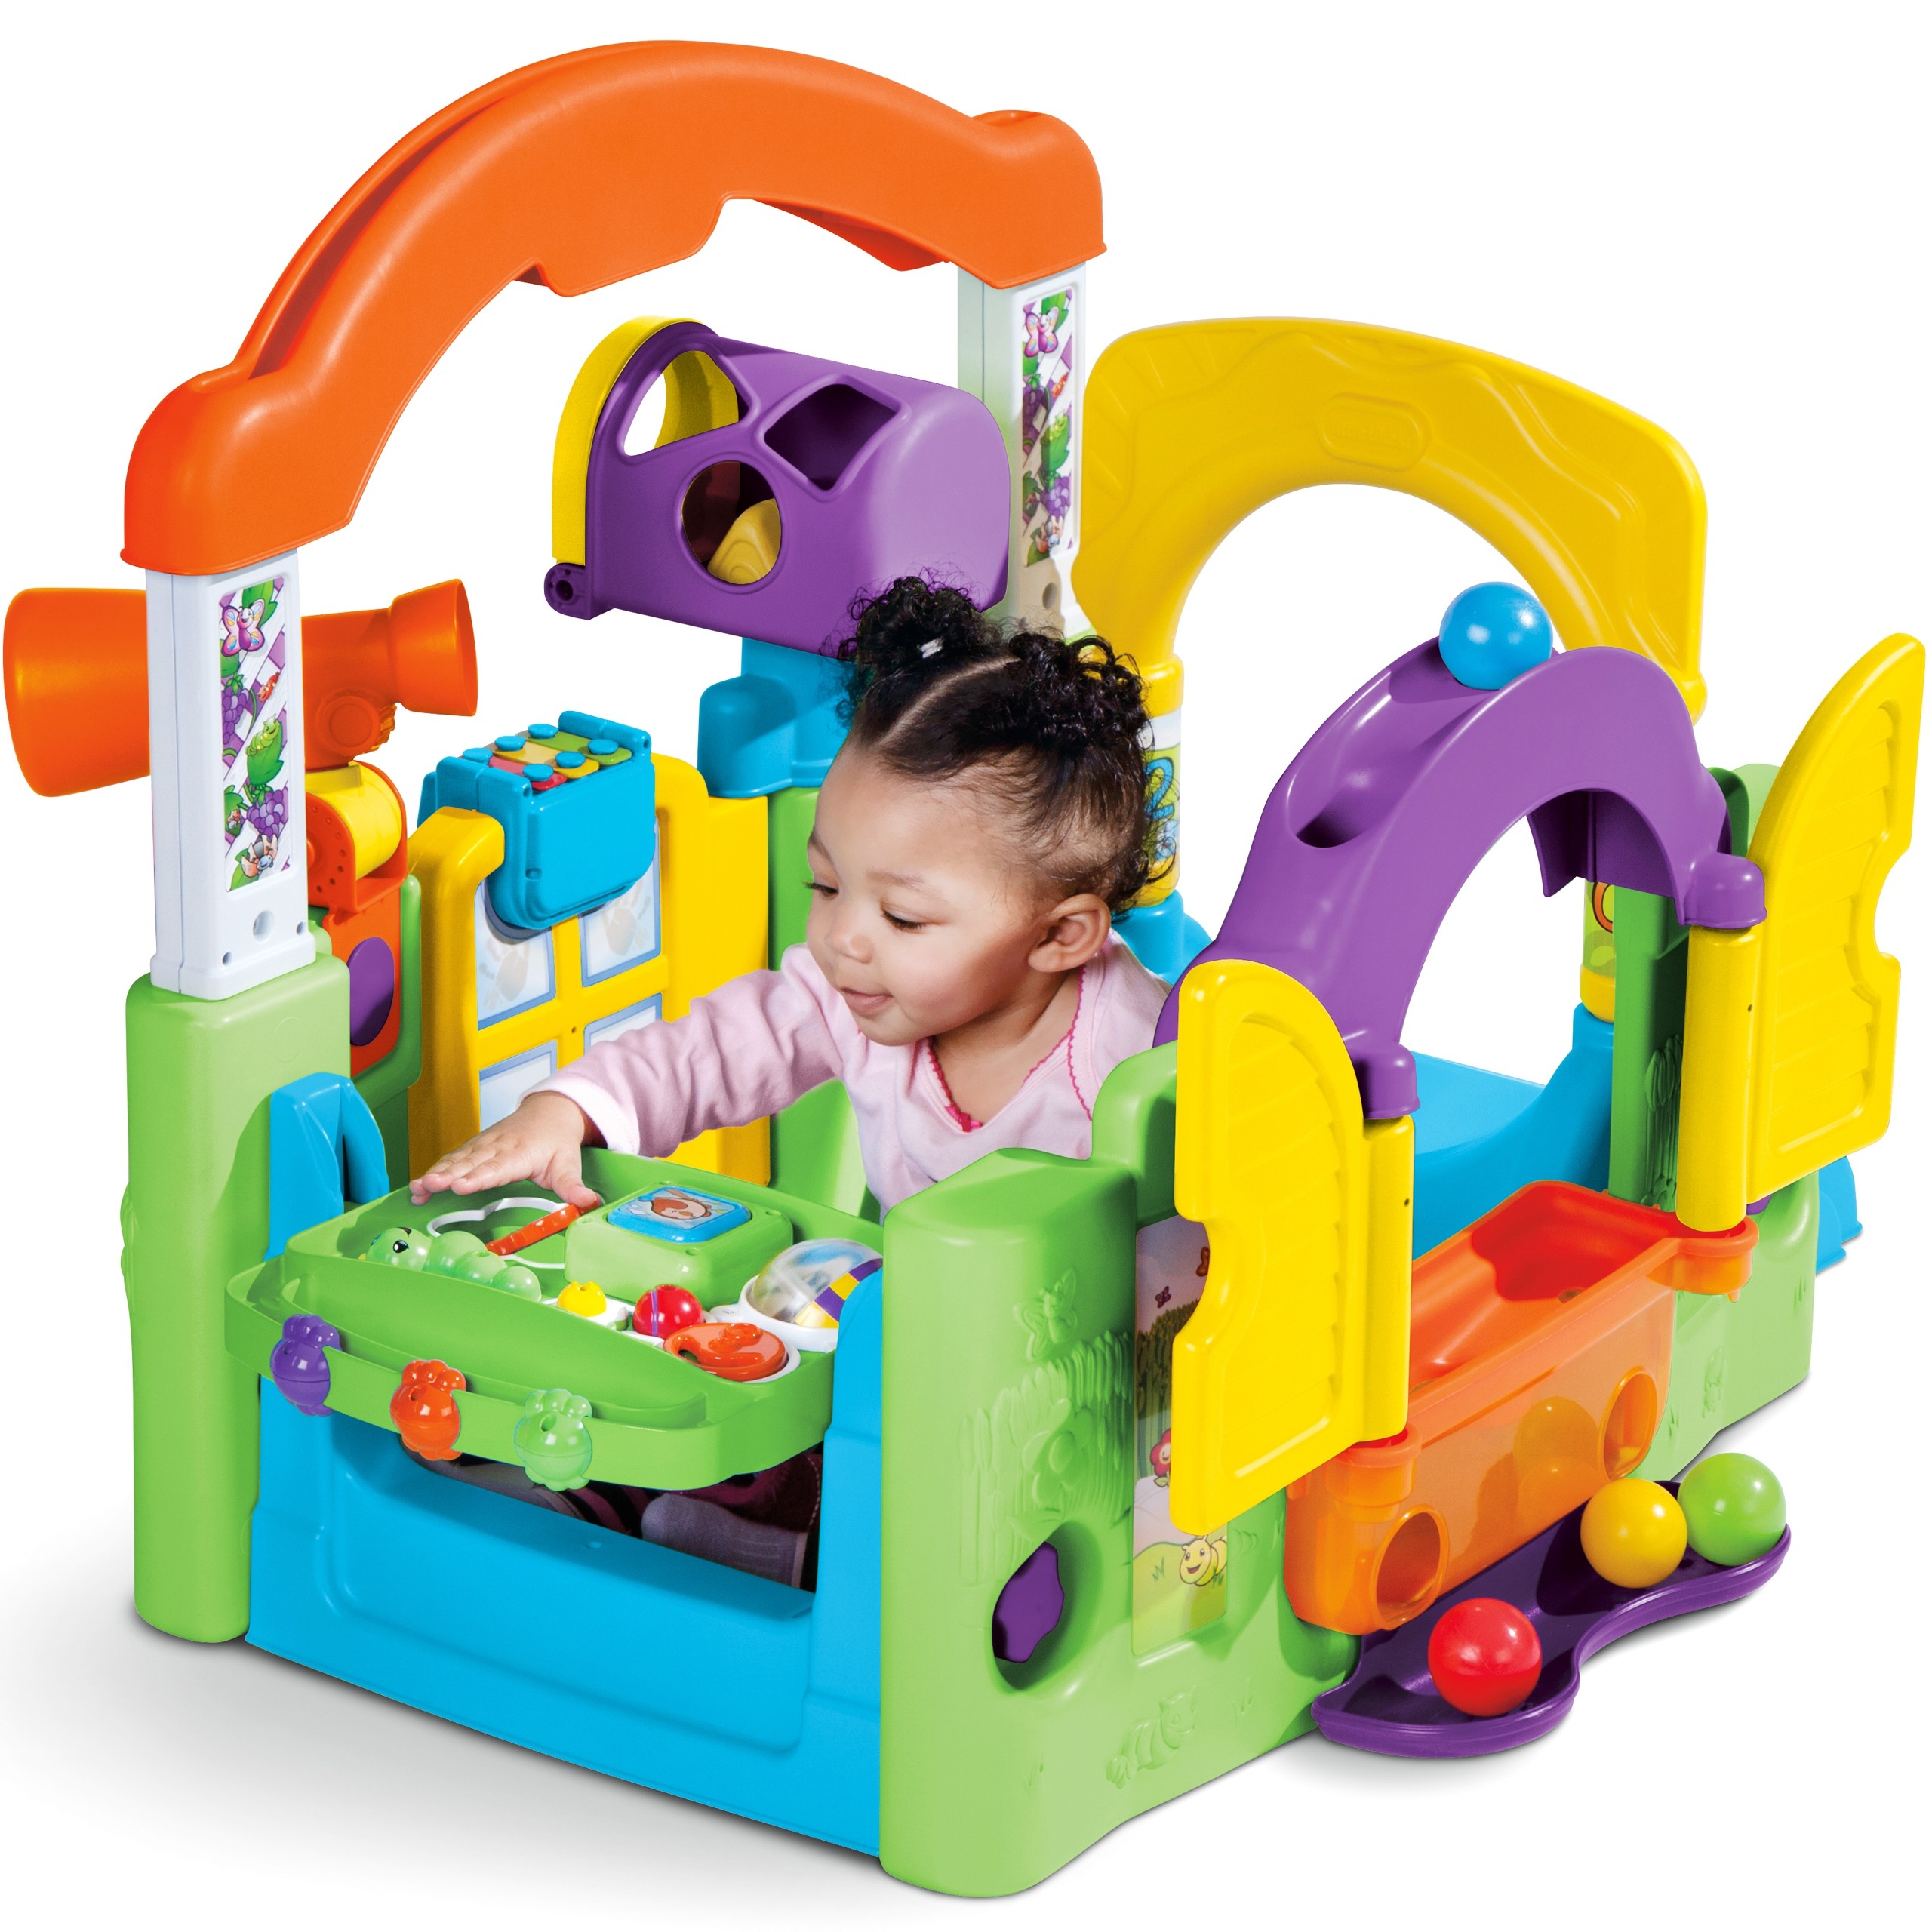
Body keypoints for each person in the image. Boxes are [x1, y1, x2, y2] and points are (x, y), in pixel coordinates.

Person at [412, 576, 1171, 1216]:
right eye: (827, 885)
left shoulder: (1137, 1052)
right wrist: (566, 1109)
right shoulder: (850, 992)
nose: (841, 937)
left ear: (1058, 937)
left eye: (902, 917)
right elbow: (705, 1055)